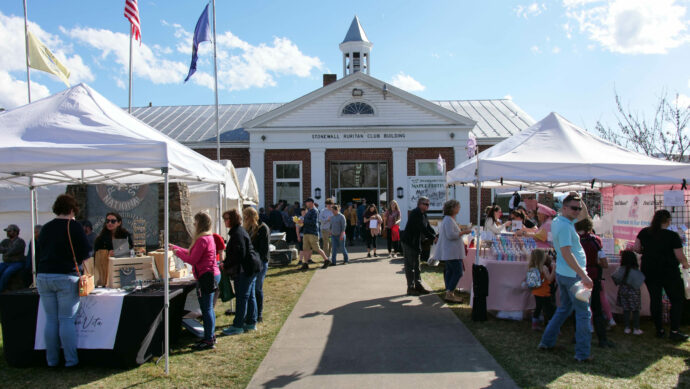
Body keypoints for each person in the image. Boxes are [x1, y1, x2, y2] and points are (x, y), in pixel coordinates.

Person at [35, 194, 89, 367]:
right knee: (66, 319)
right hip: (66, 276)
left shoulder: (46, 227)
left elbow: (40, 250)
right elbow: (85, 253)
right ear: (72, 209)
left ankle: (51, 361)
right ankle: (71, 361)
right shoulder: (74, 226)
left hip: (44, 275)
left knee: (51, 319)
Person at [538, 193, 593, 362]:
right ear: (564, 208)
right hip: (573, 275)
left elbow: (583, 215)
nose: (577, 211)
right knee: (583, 314)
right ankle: (582, 354)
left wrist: (579, 199)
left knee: (564, 309)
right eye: (574, 208)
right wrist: (583, 275)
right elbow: (566, 253)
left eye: (578, 207)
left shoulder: (560, 221)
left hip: (565, 273)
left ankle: (546, 342)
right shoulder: (564, 226)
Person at [634, 209, 690, 341]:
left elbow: (636, 248)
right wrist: (686, 265)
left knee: (655, 299)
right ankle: (674, 330)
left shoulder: (644, 232)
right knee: (676, 299)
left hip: (649, 270)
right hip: (669, 272)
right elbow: (680, 256)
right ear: (668, 221)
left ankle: (659, 329)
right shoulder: (672, 236)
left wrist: (646, 251)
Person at [170, 212, 220, 350]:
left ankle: (209, 339)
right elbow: (192, 253)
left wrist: (177, 253)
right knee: (208, 308)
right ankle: (210, 336)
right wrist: (176, 248)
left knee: (207, 308)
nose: (193, 225)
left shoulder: (203, 239)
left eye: (195, 222)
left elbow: (192, 259)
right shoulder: (207, 238)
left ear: (200, 224)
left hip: (207, 276)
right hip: (209, 274)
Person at [222, 209, 262, 336]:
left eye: (226, 219)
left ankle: (238, 325)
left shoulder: (237, 233)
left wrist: (226, 264)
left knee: (242, 296)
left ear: (232, 219)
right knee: (249, 296)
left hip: (247, 268)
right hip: (252, 266)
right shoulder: (239, 231)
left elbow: (239, 254)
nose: (225, 221)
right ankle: (251, 322)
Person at [575, 218, 614, 348]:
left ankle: (578, 336)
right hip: (593, 276)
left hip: (579, 276)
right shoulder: (595, 241)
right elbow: (604, 262)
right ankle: (602, 339)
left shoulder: (575, 240)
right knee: (597, 309)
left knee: (580, 308)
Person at [431, 200, 471, 303]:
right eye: (458, 206)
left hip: (451, 251)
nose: (459, 208)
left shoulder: (448, 219)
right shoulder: (448, 220)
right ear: (452, 208)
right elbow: (451, 235)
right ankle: (449, 292)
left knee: (450, 271)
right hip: (451, 252)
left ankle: (449, 291)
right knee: (458, 272)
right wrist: (464, 232)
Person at [401, 196, 437, 296]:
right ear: (420, 204)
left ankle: (418, 286)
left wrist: (435, 235)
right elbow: (421, 228)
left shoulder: (424, 214)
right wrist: (433, 238)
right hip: (409, 242)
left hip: (416, 243)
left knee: (417, 265)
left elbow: (428, 227)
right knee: (410, 266)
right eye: (426, 204)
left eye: (428, 204)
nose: (427, 206)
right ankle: (410, 287)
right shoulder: (415, 213)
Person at [243, 207, 270, 323]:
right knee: (252, 290)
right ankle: (251, 314)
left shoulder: (262, 228)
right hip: (252, 262)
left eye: (246, 217)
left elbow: (263, 249)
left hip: (260, 262)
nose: (244, 219)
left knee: (258, 288)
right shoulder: (249, 228)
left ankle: (259, 314)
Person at [612, 250, 644, 336]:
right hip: (634, 291)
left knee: (626, 310)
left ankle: (627, 327)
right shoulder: (635, 270)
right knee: (635, 310)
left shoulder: (621, 269)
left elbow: (614, 277)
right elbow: (640, 281)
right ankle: (636, 328)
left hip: (623, 290)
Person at [528, 249, 555, 331]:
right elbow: (550, 279)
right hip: (545, 292)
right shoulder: (544, 267)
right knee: (549, 309)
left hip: (536, 291)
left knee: (538, 308)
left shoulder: (532, 267)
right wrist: (554, 269)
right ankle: (552, 327)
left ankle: (534, 324)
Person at [300, 198, 330, 270]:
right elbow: (306, 221)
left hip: (312, 232)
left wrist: (303, 221)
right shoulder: (309, 211)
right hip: (306, 232)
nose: (306, 204)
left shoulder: (314, 211)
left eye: (307, 202)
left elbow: (313, 222)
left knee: (316, 248)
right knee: (305, 249)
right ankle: (305, 263)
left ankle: (326, 260)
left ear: (311, 202)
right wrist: (300, 222)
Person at [0, 224, 27, 291]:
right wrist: (7, 250)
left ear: (15, 232)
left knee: (7, 273)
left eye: (9, 231)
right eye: (7, 231)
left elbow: (12, 251)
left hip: (17, 263)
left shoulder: (20, 241)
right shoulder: (5, 241)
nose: (7, 233)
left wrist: (5, 250)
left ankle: (1, 289)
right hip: (6, 263)